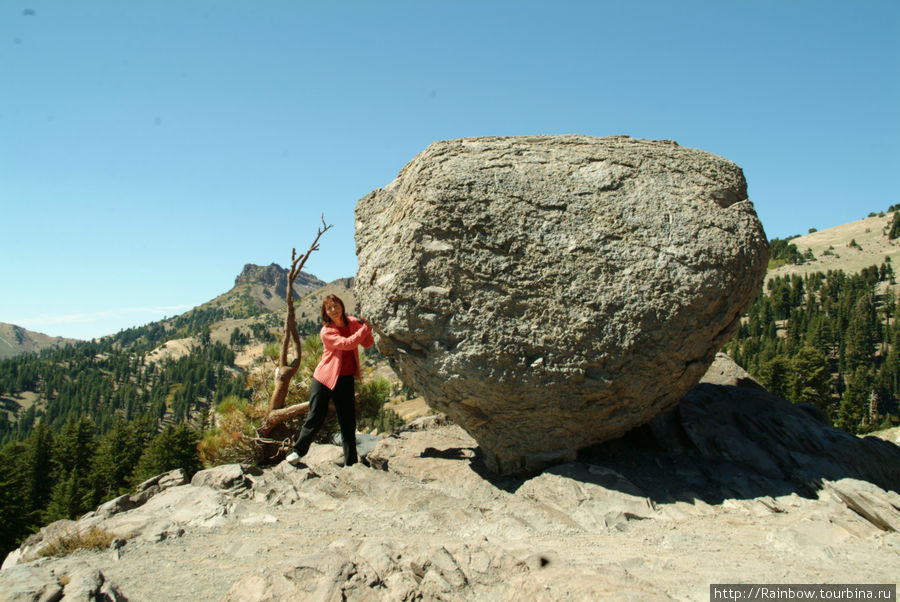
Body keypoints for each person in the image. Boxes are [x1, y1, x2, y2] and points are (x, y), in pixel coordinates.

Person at [286, 294, 374, 467]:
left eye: (336, 306)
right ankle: (298, 451)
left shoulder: (353, 323)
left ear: (341, 306)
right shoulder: (327, 331)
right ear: (325, 312)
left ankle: (351, 463)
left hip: (346, 379)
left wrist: (366, 326)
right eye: (329, 308)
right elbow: (347, 343)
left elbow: (368, 344)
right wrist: (366, 327)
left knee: (348, 422)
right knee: (315, 416)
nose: (334, 310)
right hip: (324, 379)